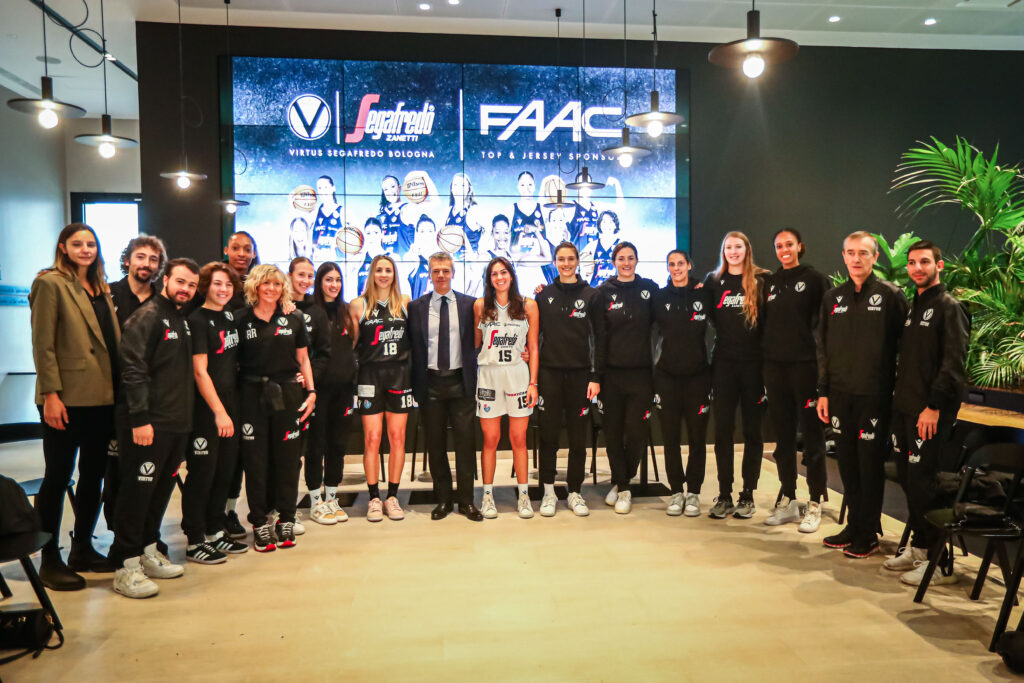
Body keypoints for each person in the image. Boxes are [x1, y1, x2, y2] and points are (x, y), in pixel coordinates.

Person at [29, 223, 120, 591]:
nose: (86, 249)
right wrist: (50, 394)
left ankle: (82, 546)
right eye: (78, 243)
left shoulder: (101, 287)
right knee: (57, 476)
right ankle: (49, 557)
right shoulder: (50, 283)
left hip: (103, 396)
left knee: (93, 475)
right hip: (66, 398)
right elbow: (43, 344)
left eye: (91, 244)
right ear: (63, 247)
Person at [108, 258, 199, 599]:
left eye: (192, 285)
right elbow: (132, 371)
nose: (185, 289)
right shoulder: (146, 316)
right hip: (148, 424)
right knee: (136, 494)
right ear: (166, 280)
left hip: (176, 424)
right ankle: (125, 566)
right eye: (181, 282)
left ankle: (147, 550)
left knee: (159, 493)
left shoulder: (180, 318)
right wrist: (140, 419)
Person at [817, 231, 908, 558]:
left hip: (874, 396)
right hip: (840, 395)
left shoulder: (891, 295)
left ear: (875, 257)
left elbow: (906, 347)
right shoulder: (833, 298)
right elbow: (823, 347)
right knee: (848, 465)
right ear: (843, 256)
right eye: (851, 253)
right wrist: (823, 392)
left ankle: (868, 533)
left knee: (869, 467)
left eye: (863, 253)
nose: (856, 259)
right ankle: (854, 526)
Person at [884, 240, 969, 584]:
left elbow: (953, 364)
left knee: (924, 483)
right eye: (912, 263)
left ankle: (939, 562)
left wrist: (933, 407)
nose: (917, 268)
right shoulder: (913, 308)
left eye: (924, 262)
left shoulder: (950, 307)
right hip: (904, 410)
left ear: (939, 265)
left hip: (930, 414)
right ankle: (920, 548)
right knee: (908, 480)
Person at [235, 265, 316, 551]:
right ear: (255, 286)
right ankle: (259, 522)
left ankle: (287, 518)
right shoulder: (240, 320)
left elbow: (303, 359)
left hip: (288, 394)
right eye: (266, 283)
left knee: (288, 461)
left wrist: (311, 391)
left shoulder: (294, 318)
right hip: (252, 396)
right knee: (256, 462)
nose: (271, 289)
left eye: (277, 284)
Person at [761, 229, 831, 532]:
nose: (784, 249)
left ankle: (815, 502)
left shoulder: (815, 280)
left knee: (813, 438)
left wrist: (823, 373)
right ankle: (789, 498)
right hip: (776, 369)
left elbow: (826, 327)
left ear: (800, 246)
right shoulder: (771, 282)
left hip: (806, 369)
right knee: (784, 439)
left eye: (789, 244)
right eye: (779, 246)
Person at [181, 263, 249, 565]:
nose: (223, 289)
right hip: (207, 410)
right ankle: (194, 540)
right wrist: (219, 412)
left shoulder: (230, 316)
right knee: (202, 475)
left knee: (224, 472)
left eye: (228, 285)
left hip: (231, 405)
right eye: (217, 284)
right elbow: (200, 371)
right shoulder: (197, 320)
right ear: (206, 286)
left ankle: (214, 531)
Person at [408, 252, 483, 521]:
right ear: (429, 274)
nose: (441, 275)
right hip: (430, 383)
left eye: (445, 271)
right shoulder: (415, 307)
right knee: (435, 445)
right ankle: (443, 499)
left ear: (453, 273)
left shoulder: (469, 304)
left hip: (461, 382)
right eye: (436, 271)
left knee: (465, 443)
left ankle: (466, 501)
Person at [702, 232, 768, 520]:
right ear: (723, 250)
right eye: (728, 247)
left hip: (754, 367)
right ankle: (725, 494)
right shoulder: (713, 281)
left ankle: (748, 494)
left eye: (738, 246)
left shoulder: (762, 280)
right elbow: (710, 318)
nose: (733, 251)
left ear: (747, 249)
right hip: (724, 366)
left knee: (753, 431)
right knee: (723, 431)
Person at [535, 242, 604, 517]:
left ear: (577, 261)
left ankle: (575, 491)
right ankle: (548, 492)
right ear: (555, 262)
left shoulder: (591, 295)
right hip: (549, 375)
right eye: (561, 259)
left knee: (578, 438)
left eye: (570, 259)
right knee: (548, 436)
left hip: (580, 376)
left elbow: (598, 338)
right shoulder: (544, 295)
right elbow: (535, 337)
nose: (566, 264)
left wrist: (595, 376)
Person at [349, 255, 414, 522]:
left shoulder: (405, 302)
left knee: (397, 437)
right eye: (379, 270)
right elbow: (352, 346)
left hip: (399, 376)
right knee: (372, 438)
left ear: (394, 274)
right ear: (372, 274)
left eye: (388, 270)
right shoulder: (358, 305)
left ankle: (393, 497)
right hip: (369, 376)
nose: (384, 274)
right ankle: (374, 497)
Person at [474, 256, 540, 519]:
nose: (499, 277)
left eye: (503, 272)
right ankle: (487, 496)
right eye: (494, 274)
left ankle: (524, 496)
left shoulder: (528, 305)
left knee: (518, 439)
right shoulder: (481, 305)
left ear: (511, 275)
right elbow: (476, 344)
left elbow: (533, 348)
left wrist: (533, 383)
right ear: (489, 279)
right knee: (490, 439)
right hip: (489, 376)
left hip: (517, 375)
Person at [597, 241, 658, 515]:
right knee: (612, 433)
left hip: (641, 375)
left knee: (636, 432)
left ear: (636, 260)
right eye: (621, 258)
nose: (626, 262)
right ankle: (623, 487)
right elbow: (598, 337)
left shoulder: (649, 289)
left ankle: (623, 481)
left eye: (630, 258)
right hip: (611, 376)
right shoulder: (603, 292)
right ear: (614, 262)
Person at [652, 250, 711, 517]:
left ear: (689, 265)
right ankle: (676, 491)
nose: (676, 268)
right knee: (671, 438)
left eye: (680, 264)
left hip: (698, 377)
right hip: (666, 377)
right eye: (671, 264)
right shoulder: (659, 297)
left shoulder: (703, 294)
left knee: (697, 438)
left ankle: (694, 492)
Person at [305, 262, 357, 524]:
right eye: (328, 279)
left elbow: (353, 345)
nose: (333, 284)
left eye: (337, 280)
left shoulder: (346, 311)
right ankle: (316, 500)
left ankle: (332, 497)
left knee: (337, 445)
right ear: (319, 282)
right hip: (318, 391)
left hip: (343, 390)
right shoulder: (310, 312)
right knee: (316, 445)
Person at [222, 230, 259, 536]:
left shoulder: (258, 286)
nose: (242, 254)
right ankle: (216, 516)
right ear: (227, 250)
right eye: (237, 248)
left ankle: (231, 511)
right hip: (220, 384)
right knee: (224, 457)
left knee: (244, 456)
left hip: (250, 385)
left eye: (248, 249)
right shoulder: (216, 282)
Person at [109, 234, 167, 328]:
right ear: (127, 260)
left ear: (158, 266)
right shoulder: (107, 294)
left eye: (153, 259)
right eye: (140, 257)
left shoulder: (163, 302)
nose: (146, 264)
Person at [580, 210, 622, 286]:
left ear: (615, 225)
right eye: (604, 222)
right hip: (595, 289)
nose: (607, 225)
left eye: (610, 222)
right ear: (599, 225)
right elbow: (580, 266)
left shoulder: (622, 245)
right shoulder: (591, 246)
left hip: (616, 289)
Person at [311, 175, 343, 261]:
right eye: (320, 188)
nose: (323, 191)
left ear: (333, 188)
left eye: (325, 187)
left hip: (337, 264)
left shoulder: (343, 211)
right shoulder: (314, 214)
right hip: (318, 264)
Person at [510, 171, 544, 247]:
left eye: (530, 184)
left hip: (540, 254)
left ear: (534, 186)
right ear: (518, 187)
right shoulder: (511, 209)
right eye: (522, 185)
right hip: (516, 254)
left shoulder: (542, 209)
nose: (527, 188)